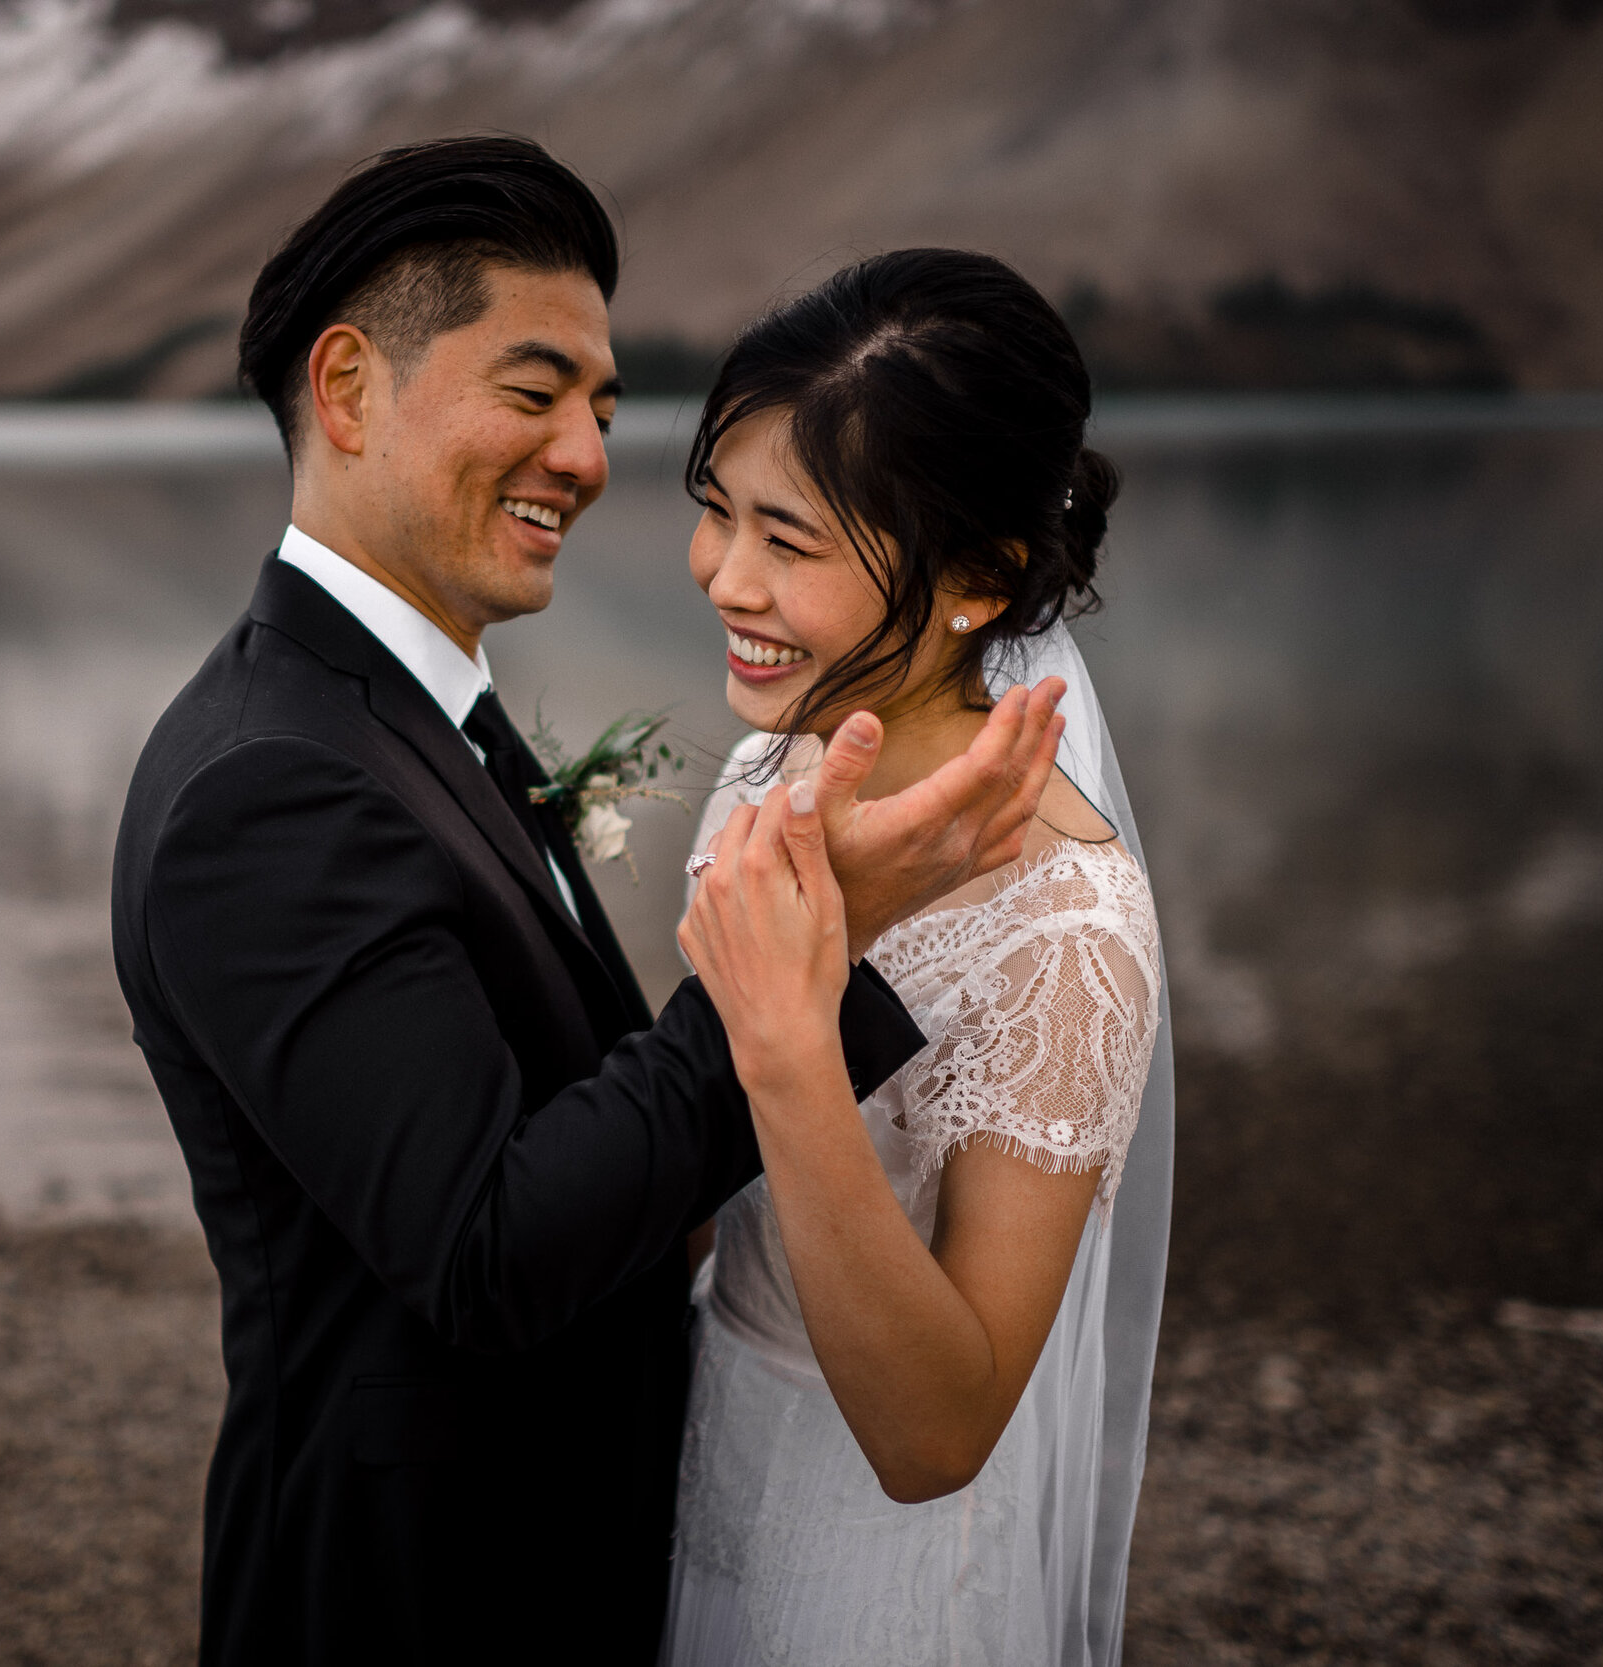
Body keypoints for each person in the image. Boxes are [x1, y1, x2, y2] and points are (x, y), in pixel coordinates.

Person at [109, 141, 1069, 1666]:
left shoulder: (404, 720)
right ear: (347, 391)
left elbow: (581, 1125)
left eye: (606, 410)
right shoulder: (268, 790)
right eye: (535, 392)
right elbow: (486, 1250)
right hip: (422, 1601)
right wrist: (810, 952)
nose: (585, 455)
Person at [667, 248, 1175, 1665]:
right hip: (706, 1459)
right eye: (719, 514)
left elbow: (938, 1433)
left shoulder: (1071, 929)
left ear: (979, 576)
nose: (727, 578)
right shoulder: (775, 759)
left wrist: (786, 1041)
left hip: (873, 1568)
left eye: (792, 539)